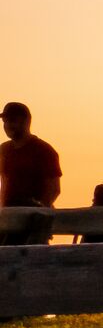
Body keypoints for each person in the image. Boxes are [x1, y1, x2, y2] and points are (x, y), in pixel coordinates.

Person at [0, 101, 59, 246]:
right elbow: (4, 182)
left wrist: (39, 213)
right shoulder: (4, 150)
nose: (7, 125)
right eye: (5, 121)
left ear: (26, 121)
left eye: (12, 120)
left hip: (31, 223)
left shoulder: (44, 150)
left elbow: (54, 189)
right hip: (7, 220)